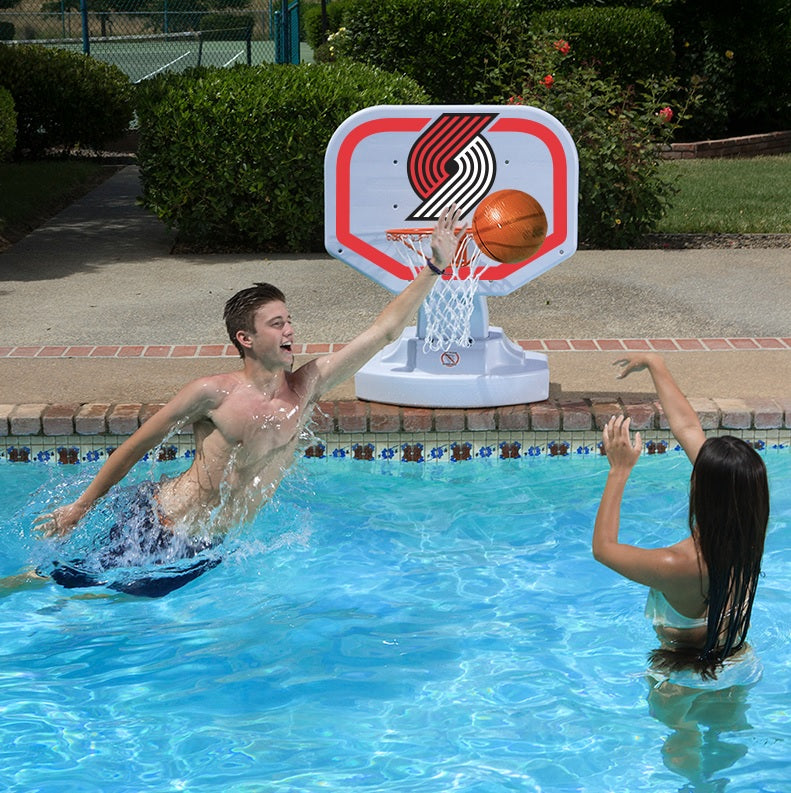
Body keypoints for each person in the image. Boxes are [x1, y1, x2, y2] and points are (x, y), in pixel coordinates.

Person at [18, 205, 466, 597]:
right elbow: (134, 448)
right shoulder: (212, 393)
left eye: (289, 320)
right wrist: (80, 507)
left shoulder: (307, 385)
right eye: (276, 323)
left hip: (208, 545)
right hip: (163, 524)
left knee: (108, 604)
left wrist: (433, 268)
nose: (289, 330)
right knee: (60, 587)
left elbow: (383, 332)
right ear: (245, 338)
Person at [593, 353, 769, 690]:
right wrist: (655, 364)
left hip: (679, 678)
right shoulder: (748, 528)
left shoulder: (678, 563)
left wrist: (619, 470)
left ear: (701, 490)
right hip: (736, 660)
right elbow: (688, 427)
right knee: (730, 741)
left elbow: (603, 549)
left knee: (681, 740)